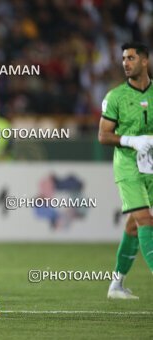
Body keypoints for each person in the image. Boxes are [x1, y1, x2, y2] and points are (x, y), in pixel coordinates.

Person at [98, 42, 153, 299]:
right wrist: (132, 140)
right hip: (128, 165)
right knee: (146, 220)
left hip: (151, 165)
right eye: (123, 59)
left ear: (145, 61)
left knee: (133, 226)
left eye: (131, 58)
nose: (126, 63)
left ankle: (116, 285)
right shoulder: (115, 97)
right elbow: (103, 135)